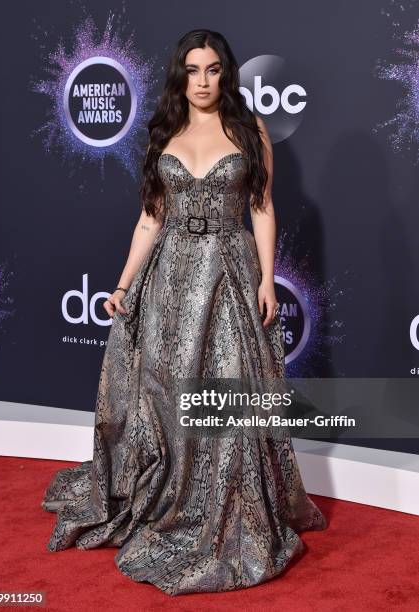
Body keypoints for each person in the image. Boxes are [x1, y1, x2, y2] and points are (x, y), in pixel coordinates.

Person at [42, 28, 327, 596]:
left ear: (226, 73)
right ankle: (171, 492)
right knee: (168, 391)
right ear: (181, 75)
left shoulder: (250, 129)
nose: (202, 81)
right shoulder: (163, 132)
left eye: (213, 69)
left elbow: (262, 207)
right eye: (192, 70)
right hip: (171, 273)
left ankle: (228, 507)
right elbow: (150, 218)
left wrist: (268, 278)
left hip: (228, 271)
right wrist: (122, 284)